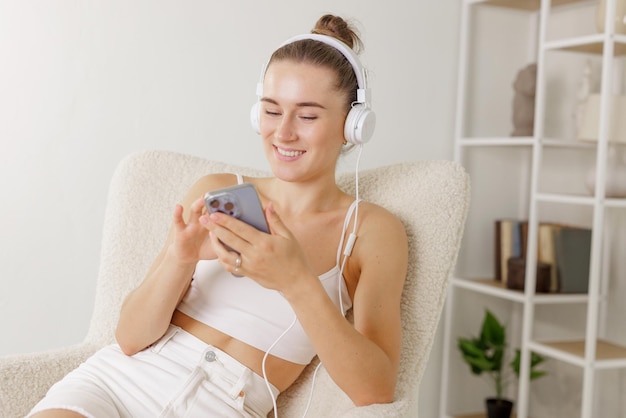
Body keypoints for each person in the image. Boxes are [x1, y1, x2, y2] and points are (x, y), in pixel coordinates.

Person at [28, 13, 408, 418]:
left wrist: (296, 281)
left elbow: (375, 390)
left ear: (353, 125)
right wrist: (181, 257)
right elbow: (129, 338)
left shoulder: (369, 231)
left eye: (308, 115)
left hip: (225, 403)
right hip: (117, 381)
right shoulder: (220, 189)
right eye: (272, 110)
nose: (283, 133)